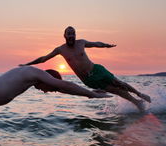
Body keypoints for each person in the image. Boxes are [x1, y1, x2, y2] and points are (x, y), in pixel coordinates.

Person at [20, 26, 151, 112]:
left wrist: (105, 45)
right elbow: (43, 58)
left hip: (96, 69)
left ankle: (140, 95)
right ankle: (137, 103)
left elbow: (95, 44)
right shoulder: (60, 49)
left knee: (119, 83)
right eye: (69, 33)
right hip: (88, 80)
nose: (72, 35)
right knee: (115, 90)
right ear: (64, 35)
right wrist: (27, 64)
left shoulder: (81, 43)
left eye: (73, 33)